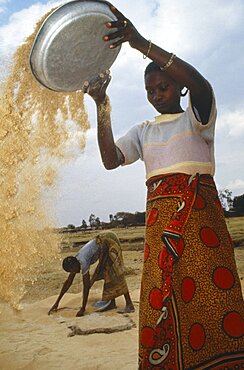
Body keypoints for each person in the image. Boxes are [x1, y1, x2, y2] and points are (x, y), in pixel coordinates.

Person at [84, 4, 244, 370]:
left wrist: (140, 42)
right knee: (162, 300)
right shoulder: (144, 131)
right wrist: (101, 103)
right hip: (161, 230)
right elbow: (110, 158)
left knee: (213, 297)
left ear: (179, 88)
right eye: (150, 90)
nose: (156, 94)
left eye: (163, 86)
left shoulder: (198, 117)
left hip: (202, 227)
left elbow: (201, 83)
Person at [48, 231, 135, 317]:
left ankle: (129, 305)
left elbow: (86, 286)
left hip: (109, 240)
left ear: (74, 265)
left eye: (72, 270)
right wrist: (56, 303)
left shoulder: (82, 261)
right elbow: (68, 282)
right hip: (103, 243)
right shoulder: (76, 260)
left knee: (116, 272)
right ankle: (111, 303)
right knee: (107, 273)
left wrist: (83, 308)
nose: (74, 273)